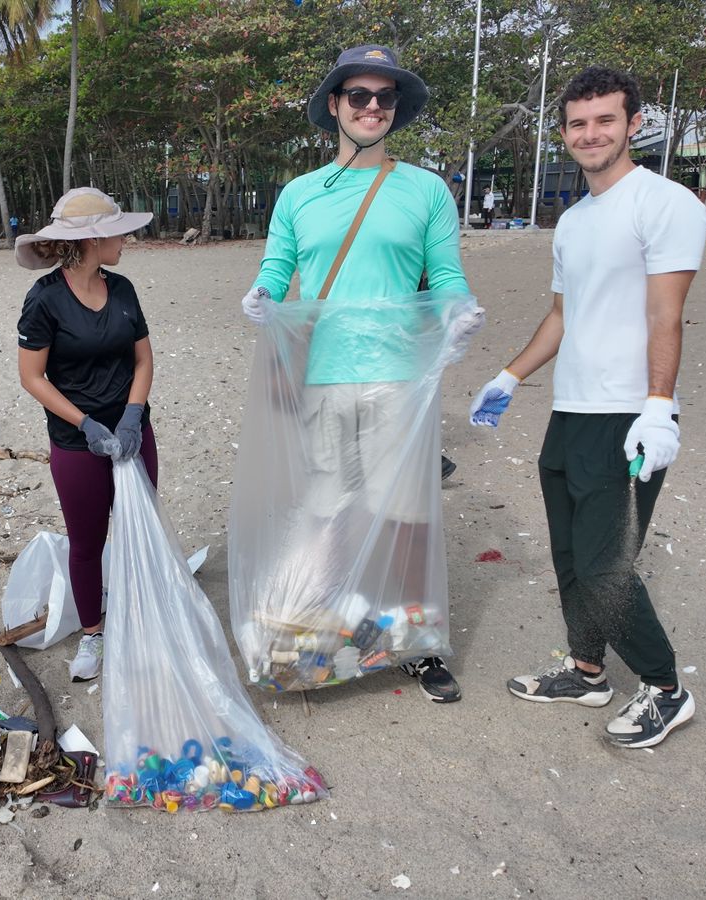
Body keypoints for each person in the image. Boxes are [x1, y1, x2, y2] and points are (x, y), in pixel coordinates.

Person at [471, 66, 706, 749]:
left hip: (629, 415)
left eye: (605, 120)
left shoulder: (666, 204)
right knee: (571, 553)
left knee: (608, 563)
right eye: (578, 123)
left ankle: (666, 689)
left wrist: (658, 407)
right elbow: (561, 315)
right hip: (571, 410)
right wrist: (510, 376)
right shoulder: (573, 221)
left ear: (634, 123)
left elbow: (668, 315)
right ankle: (586, 670)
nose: (591, 133)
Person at [240, 44, 470, 702]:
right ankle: (329, 620)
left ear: (396, 109)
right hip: (326, 376)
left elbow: (446, 273)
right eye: (359, 96)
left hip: (401, 375)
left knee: (406, 516)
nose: (373, 107)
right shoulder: (299, 195)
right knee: (328, 509)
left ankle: (417, 641)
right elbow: (278, 270)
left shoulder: (426, 190)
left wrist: (459, 309)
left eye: (385, 97)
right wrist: (261, 296)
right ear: (335, 107)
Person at [15, 187, 156, 682]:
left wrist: (133, 415)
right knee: (87, 540)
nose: (128, 238)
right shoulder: (45, 300)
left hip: (133, 430)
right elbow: (32, 376)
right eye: (119, 231)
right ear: (94, 239)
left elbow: (143, 357)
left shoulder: (122, 289)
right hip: (78, 441)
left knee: (141, 527)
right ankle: (93, 632)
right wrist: (86, 423)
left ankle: (142, 615)